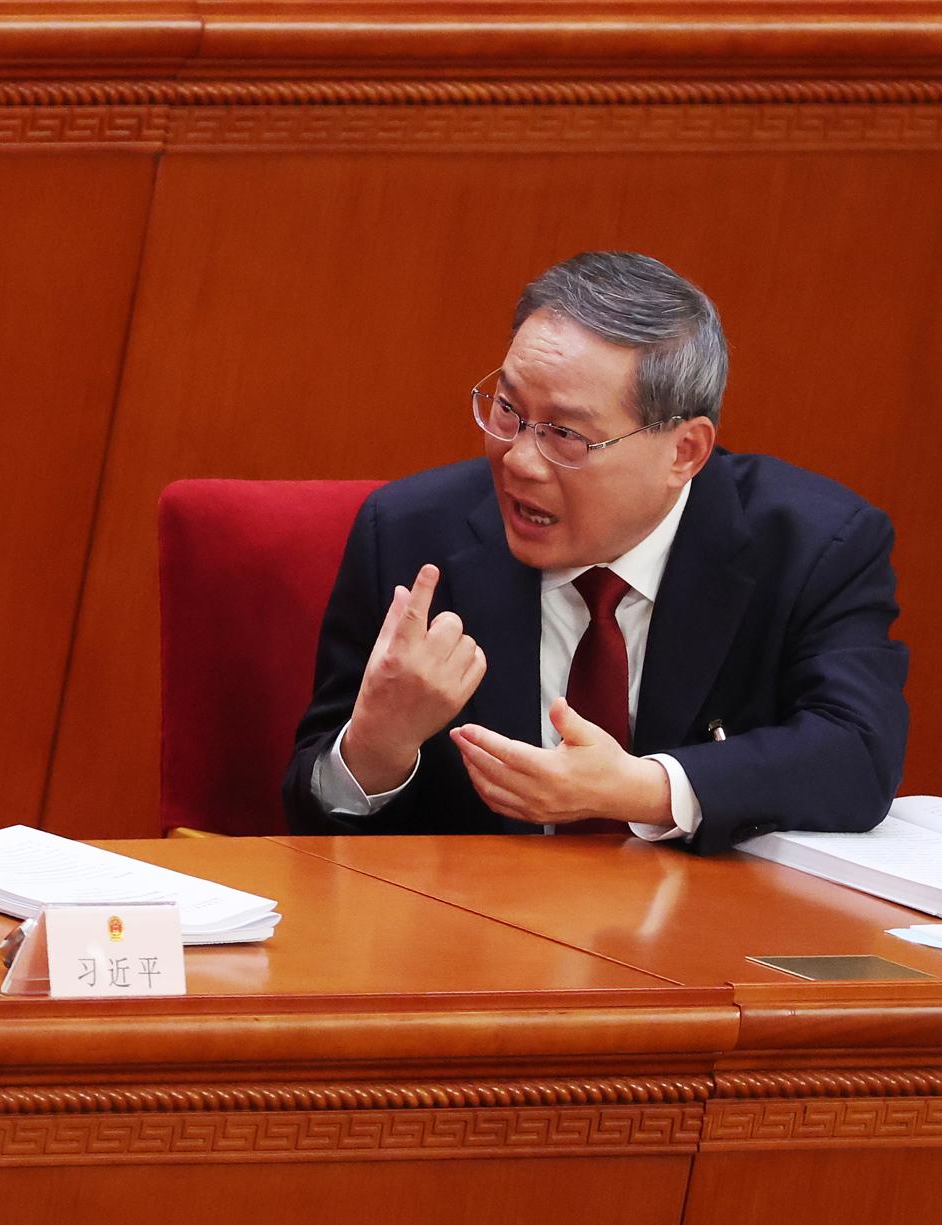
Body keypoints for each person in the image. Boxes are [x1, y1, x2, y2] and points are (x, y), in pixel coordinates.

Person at [282, 251, 907, 855]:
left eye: (565, 434)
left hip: (702, 939)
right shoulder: (411, 536)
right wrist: (376, 748)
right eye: (508, 410)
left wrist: (642, 790)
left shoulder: (813, 546)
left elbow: (857, 751)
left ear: (685, 451)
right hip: (468, 938)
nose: (519, 460)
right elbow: (310, 818)